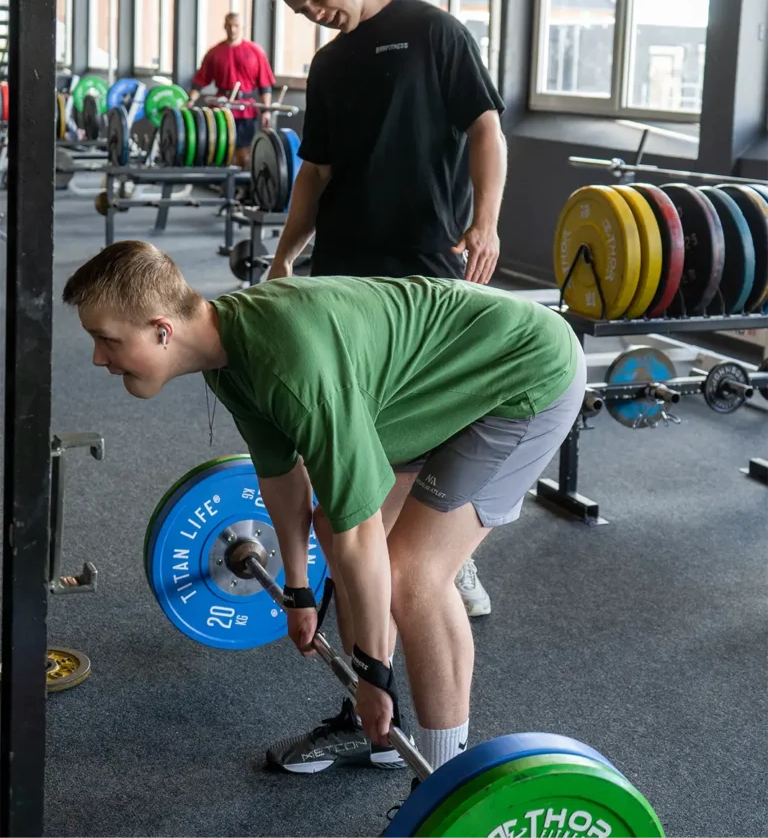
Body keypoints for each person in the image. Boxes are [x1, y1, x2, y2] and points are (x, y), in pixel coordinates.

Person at [63, 241, 585, 789]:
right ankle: (378, 732)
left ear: (161, 329)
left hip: (522, 374)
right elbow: (282, 476)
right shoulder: (228, 357)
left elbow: (363, 535)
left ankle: (442, 788)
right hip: (429, 390)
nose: (100, 358)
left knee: (412, 576)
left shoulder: (290, 367)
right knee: (334, 533)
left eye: (106, 340)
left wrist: (373, 672)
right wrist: (298, 590)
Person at [258, 0, 507, 630]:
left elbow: (486, 128)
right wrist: (285, 256)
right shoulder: (330, 64)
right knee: (353, 408)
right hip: (345, 265)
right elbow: (316, 172)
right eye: (300, 7)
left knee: (439, 410)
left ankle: (452, 552)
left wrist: (485, 222)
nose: (314, 11)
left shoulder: (434, 31)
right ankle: (360, 546)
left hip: (426, 257)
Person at [189, 12, 275, 169]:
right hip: (221, 110)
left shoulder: (255, 52)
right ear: (224, 26)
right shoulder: (214, 52)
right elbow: (200, 80)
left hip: (246, 109)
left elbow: (265, 85)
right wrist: (190, 101)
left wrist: (266, 111)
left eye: (236, 25)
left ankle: (240, 189)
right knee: (219, 149)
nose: (232, 29)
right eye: (229, 25)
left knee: (243, 152)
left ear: (242, 27)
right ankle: (222, 187)